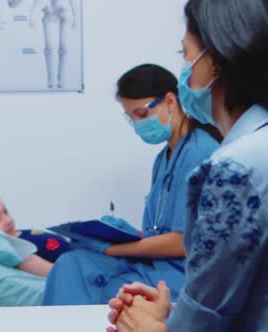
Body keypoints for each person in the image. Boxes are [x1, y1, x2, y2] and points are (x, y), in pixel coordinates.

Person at [108, 0, 268, 331]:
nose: (183, 70)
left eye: (185, 55)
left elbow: (203, 321)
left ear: (214, 61)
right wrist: (174, 314)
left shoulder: (233, 169)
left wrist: (149, 326)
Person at [42, 64, 222, 305]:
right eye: (131, 118)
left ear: (170, 101)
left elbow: (185, 242)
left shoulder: (198, 153)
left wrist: (112, 249)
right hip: (158, 265)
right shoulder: (164, 158)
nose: (138, 124)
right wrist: (121, 235)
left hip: (183, 275)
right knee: (71, 263)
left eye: (141, 114)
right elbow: (163, 228)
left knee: (97, 284)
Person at [0, 189, 69, 276]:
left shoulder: (16, 234)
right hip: (77, 268)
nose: (8, 220)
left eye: (5, 211)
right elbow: (58, 275)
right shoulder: (17, 251)